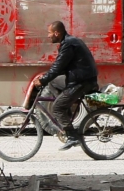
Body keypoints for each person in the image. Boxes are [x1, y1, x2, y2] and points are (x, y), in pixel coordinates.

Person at [33, 21, 99, 150]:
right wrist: (46, 77)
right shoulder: (69, 42)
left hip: (82, 81)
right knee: (53, 82)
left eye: (49, 33)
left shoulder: (68, 44)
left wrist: (43, 80)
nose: (48, 36)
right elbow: (61, 67)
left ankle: (72, 137)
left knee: (57, 108)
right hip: (81, 78)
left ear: (56, 33)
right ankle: (66, 108)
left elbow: (58, 67)